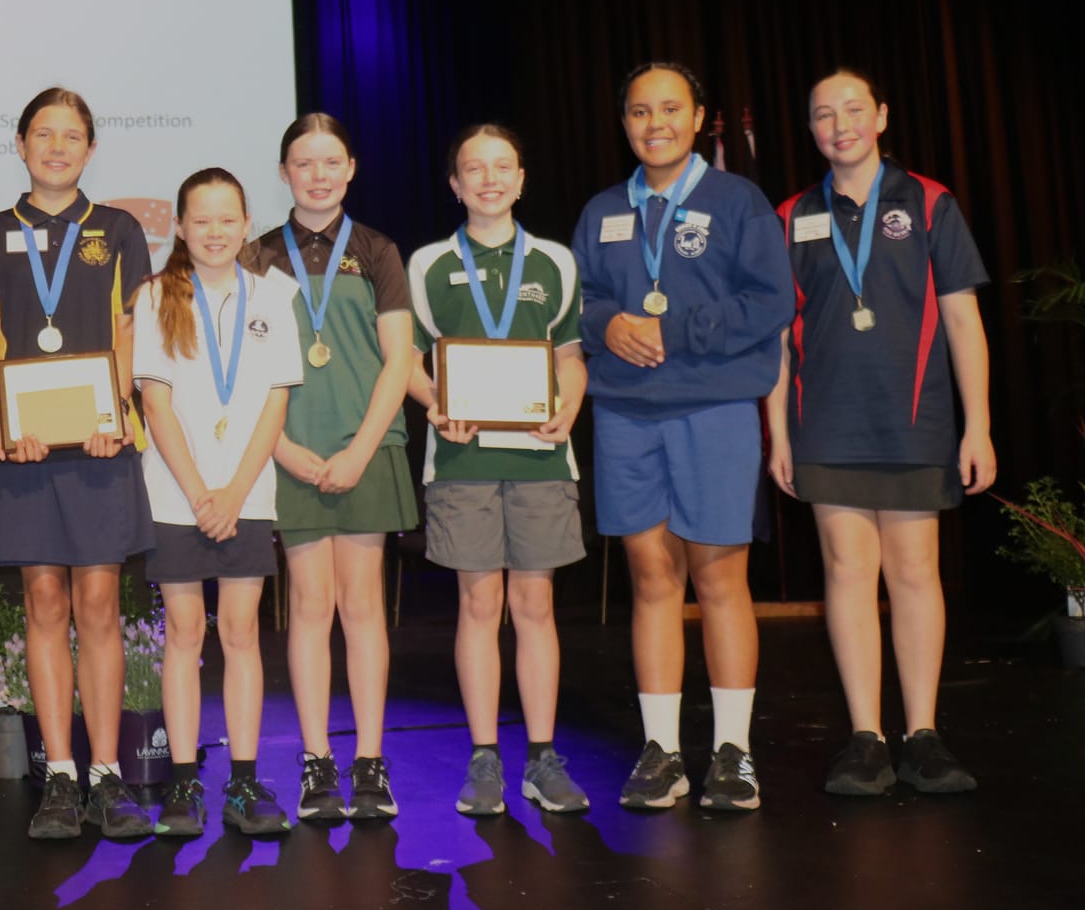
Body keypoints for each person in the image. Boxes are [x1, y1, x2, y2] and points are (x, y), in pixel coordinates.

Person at [571, 62, 793, 811]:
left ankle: (734, 752)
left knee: (719, 577)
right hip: (625, 412)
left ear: (698, 117)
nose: (655, 123)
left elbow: (770, 301)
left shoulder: (738, 201)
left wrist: (677, 330)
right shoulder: (604, 209)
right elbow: (578, 299)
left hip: (715, 408)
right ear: (624, 122)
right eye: (640, 111)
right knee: (650, 576)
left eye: (670, 109)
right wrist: (608, 324)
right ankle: (661, 751)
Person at [766, 68, 994, 795]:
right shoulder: (791, 216)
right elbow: (778, 339)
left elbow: (962, 319)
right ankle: (866, 737)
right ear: (810, 128)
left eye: (853, 109)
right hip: (825, 422)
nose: (840, 125)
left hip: (915, 418)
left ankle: (923, 735)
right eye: (823, 114)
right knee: (846, 570)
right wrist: (778, 435)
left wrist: (979, 426)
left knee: (915, 571)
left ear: (883, 115)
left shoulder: (928, 202)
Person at [0, 87, 156, 841]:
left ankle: (106, 774)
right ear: (20, 143)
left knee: (99, 604)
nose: (58, 147)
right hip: (24, 446)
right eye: (44, 133)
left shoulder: (119, 229)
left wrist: (113, 411)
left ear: (91, 149)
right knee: (43, 603)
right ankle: (60, 776)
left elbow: (131, 329)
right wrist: (9, 420)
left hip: (101, 444)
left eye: (72, 136)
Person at [407, 124, 592, 817]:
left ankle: (542, 756)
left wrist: (569, 406)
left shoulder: (555, 261)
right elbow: (410, 360)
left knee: (535, 605)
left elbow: (569, 355)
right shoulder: (429, 263)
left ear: (521, 179)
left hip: (541, 455)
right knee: (479, 605)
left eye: (502, 167)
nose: (489, 179)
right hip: (461, 457)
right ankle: (484, 756)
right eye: (474, 169)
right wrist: (436, 406)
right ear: (455, 184)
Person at [249, 112, 420, 823]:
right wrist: (281, 449)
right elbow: (244, 367)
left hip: (365, 447)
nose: (317, 175)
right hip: (288, 450)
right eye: (303, 162)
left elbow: (399, 359)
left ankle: (370, 762)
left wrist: (358, 450)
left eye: (330, 162)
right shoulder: (258, 255)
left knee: (362, 605)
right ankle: (317, 762)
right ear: (284, 172)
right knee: (310, 607)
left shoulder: (378, 250)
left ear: (350, 169)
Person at [133, 168, 302, 838]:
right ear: (179, 226)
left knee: (240, 632)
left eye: (227, 219)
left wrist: (233, 493)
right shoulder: (155, 295)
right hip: (177, 494)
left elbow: (275, 404)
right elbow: (155, 403)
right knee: (184, 633)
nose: (214, 231)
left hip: (248, 493)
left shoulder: (274, 296)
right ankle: (182, 783)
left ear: (246, 223)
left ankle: (244, 780)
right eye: (200, 220)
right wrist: (202, 492)